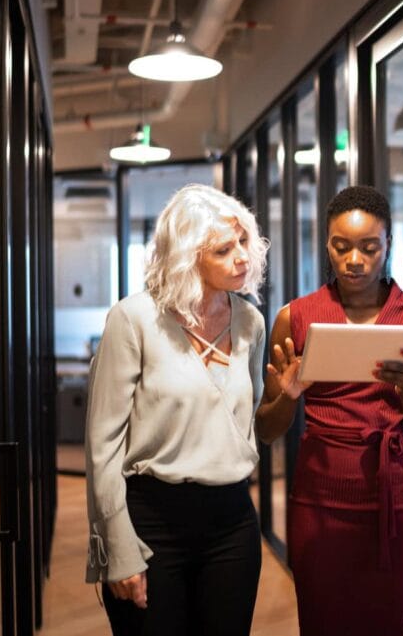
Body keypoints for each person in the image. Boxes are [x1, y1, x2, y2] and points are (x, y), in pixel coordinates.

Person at [85, 184, 270, 636]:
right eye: (224, 250)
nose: (242, 258)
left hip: (232, 521)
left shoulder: (250, 322)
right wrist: (117, 545)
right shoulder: (134, 320)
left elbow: (245, 422)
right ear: (187, 256)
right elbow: (102, 446)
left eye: (244, 241)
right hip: (152, 519)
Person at [256, 185, 403, 636]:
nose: (354, 259)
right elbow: (264, 428)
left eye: (369, 247)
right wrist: (290, 394)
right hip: (319, 500)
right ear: (327, 246)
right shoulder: (295, 317)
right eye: (341, 247)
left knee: (385, 624)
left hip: (389, 499)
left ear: (388, 246)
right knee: (322, 623)